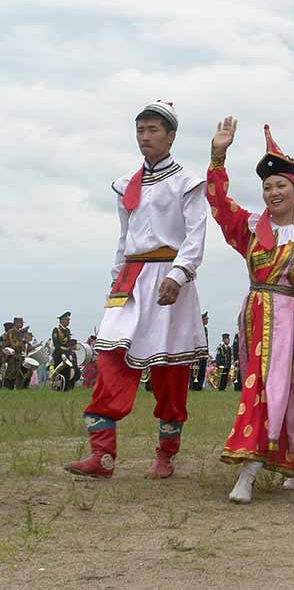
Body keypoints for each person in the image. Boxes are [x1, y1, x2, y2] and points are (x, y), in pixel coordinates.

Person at [64, 100, 208, 480]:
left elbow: (195, 234)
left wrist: (179, 275)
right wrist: (116, 277)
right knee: (110, 356)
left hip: (167, 276)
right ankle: (102, 455)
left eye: (153, 130)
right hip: (130, 278)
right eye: (140, 130)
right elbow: (124, 238)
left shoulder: (187, 182)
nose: (145, 137)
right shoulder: (126, 183)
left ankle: (165, 455)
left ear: (171, 136)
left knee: (170, 369)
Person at [207, 117, 294, 504]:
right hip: (253, 316)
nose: (273, 192)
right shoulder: (250, 229)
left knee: (270, 388)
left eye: (281, 185)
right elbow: (219, 205)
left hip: (286, 321)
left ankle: (248, 472)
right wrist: (218, 156)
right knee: (287, 390)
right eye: (267, 187)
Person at [51, 312, 76, 390]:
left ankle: (66, 388)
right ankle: (57, 388)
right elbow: (56, 344)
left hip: (67, 353)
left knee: (67, 371)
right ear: (61, 320)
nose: (68, 321)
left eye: (69, 320)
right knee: (59, 371)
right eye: (66, 320)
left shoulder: (67, 330)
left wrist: (70, 353)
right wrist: (62, 354)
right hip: (59, 354)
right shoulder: (56, 330)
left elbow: (68, 344)